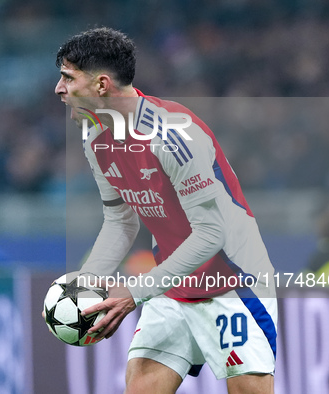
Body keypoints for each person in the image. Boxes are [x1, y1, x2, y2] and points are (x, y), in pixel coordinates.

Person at [54, 27, 277, 393]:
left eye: (67, 77)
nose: (59, 90)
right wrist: (88, 284)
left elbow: (210, 234)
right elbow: (120, 219)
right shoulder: (94, 134)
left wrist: (135, 293)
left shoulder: (173, 136)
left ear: (102, 85)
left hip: (234, 283)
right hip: (173, 283)